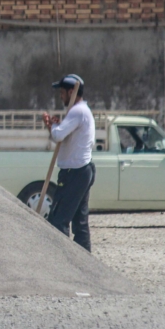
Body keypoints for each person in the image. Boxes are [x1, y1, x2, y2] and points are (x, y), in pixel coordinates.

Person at [41, 74, 95, 252]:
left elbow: (58, 136)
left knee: (59, 220)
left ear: (72, 91)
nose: (60, 96)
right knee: (80, 223)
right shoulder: (81, 111)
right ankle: (85, 263)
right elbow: (64, 137)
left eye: (62, 92)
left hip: (74, 172)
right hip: (83, 170)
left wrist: (52, 126)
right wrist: (57, 125)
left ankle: (62, 263)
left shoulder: (77, 111)